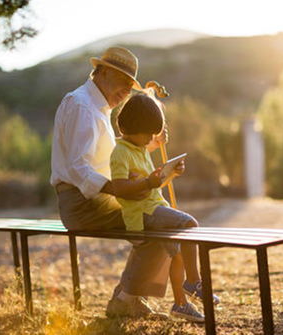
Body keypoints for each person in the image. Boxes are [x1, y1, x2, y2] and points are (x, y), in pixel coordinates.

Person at [50, 47, 172, 318]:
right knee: (160, 220)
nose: (127, 93)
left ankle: (128, 297)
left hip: (94, 199)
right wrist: (115, 188)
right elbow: (78, 168)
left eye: (131, 88)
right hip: (83, 204)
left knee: (160, 216)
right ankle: (126, 300)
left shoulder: (96, 106)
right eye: (124, 83)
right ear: (103, 72)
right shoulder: (82, 106)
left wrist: (147, 143)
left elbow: (111, 160)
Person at [109, 94, 220, 322]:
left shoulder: (139, 150)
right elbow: (119, 188)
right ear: (133, 128)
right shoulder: (120, 153)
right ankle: (193, 281)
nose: (152, 138)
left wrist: (170, 174)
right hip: (141, 214)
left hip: (153, 207)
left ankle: (180, 304)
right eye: (148, 134)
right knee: (189, 223)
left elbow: (152, 186)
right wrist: (149, 182)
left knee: (177, 254)